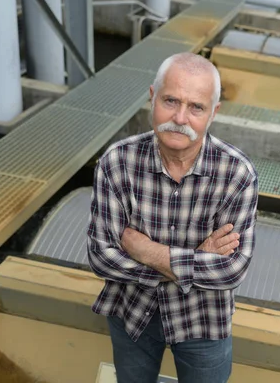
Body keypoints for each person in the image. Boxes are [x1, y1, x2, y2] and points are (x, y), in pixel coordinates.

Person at [86, 52, 259, 383]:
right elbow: (100, 258)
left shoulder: (236, 173)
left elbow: (231, 270)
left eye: (196, 107)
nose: (180, 117)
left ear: (213, 113)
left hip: (203, 320)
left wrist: (146, 251)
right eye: (170, 100)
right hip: (133, 313)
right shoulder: (116, 163)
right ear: (152, 97)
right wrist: (197, 259)